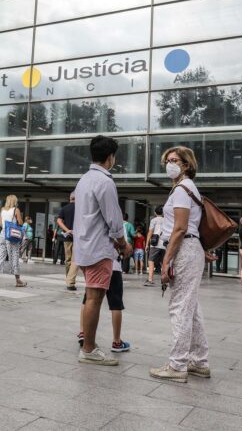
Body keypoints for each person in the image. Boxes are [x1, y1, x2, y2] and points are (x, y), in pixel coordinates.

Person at [150, 146, 214, 383]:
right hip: (190, 247)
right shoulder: (187, 188)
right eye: (167, 160)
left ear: (187, 165)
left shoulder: (181, 189)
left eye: (175, 160)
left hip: (183, 248)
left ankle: (177, 365)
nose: (170, 164)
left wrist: (166, 260)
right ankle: (199, 361)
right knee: (191, 308)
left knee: (179, 308)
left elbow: (179, 228)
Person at [74, 136, 131, 365]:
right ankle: (88, 349)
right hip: (98, 248)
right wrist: (123, 243)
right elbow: (114, 219)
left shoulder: (84, 180)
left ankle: (89, 345)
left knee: (91, 296)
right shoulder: (105, 181)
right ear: (110, 157)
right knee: (94, 298)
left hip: (85, 247)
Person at [77, 257, 131, 353]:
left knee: (88, 299)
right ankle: (117, 342)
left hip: (95, 266)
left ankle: (83, 332)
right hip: (113, 266)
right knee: (116, 304)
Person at [0, 194, 27, 289]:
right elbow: (20, 223)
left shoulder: (2, 209)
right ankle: (18, 280)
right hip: (12, 237)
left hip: (2, 235)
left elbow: (1, 224)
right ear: (15, 201)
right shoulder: (16, 210)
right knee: (14, 257)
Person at [57, 193, 77, 290]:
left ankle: (68, 280)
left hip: (67, 237)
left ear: (70, 198)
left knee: (68, 260)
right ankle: (70, 282)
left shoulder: (64, 208)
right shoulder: (80, 209)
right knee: (75, 260)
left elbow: (59, 221)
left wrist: (67, 230)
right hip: (78, 238)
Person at [145, 205, 165, 286]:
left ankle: (150, 279)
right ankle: (164, 279)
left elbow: (150, 232)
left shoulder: (153, 220)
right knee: (163, 262)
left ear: (155, 212)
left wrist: (147, 244)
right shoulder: (166, 220)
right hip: (164, 244)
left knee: (151, 260)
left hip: (155, 244)